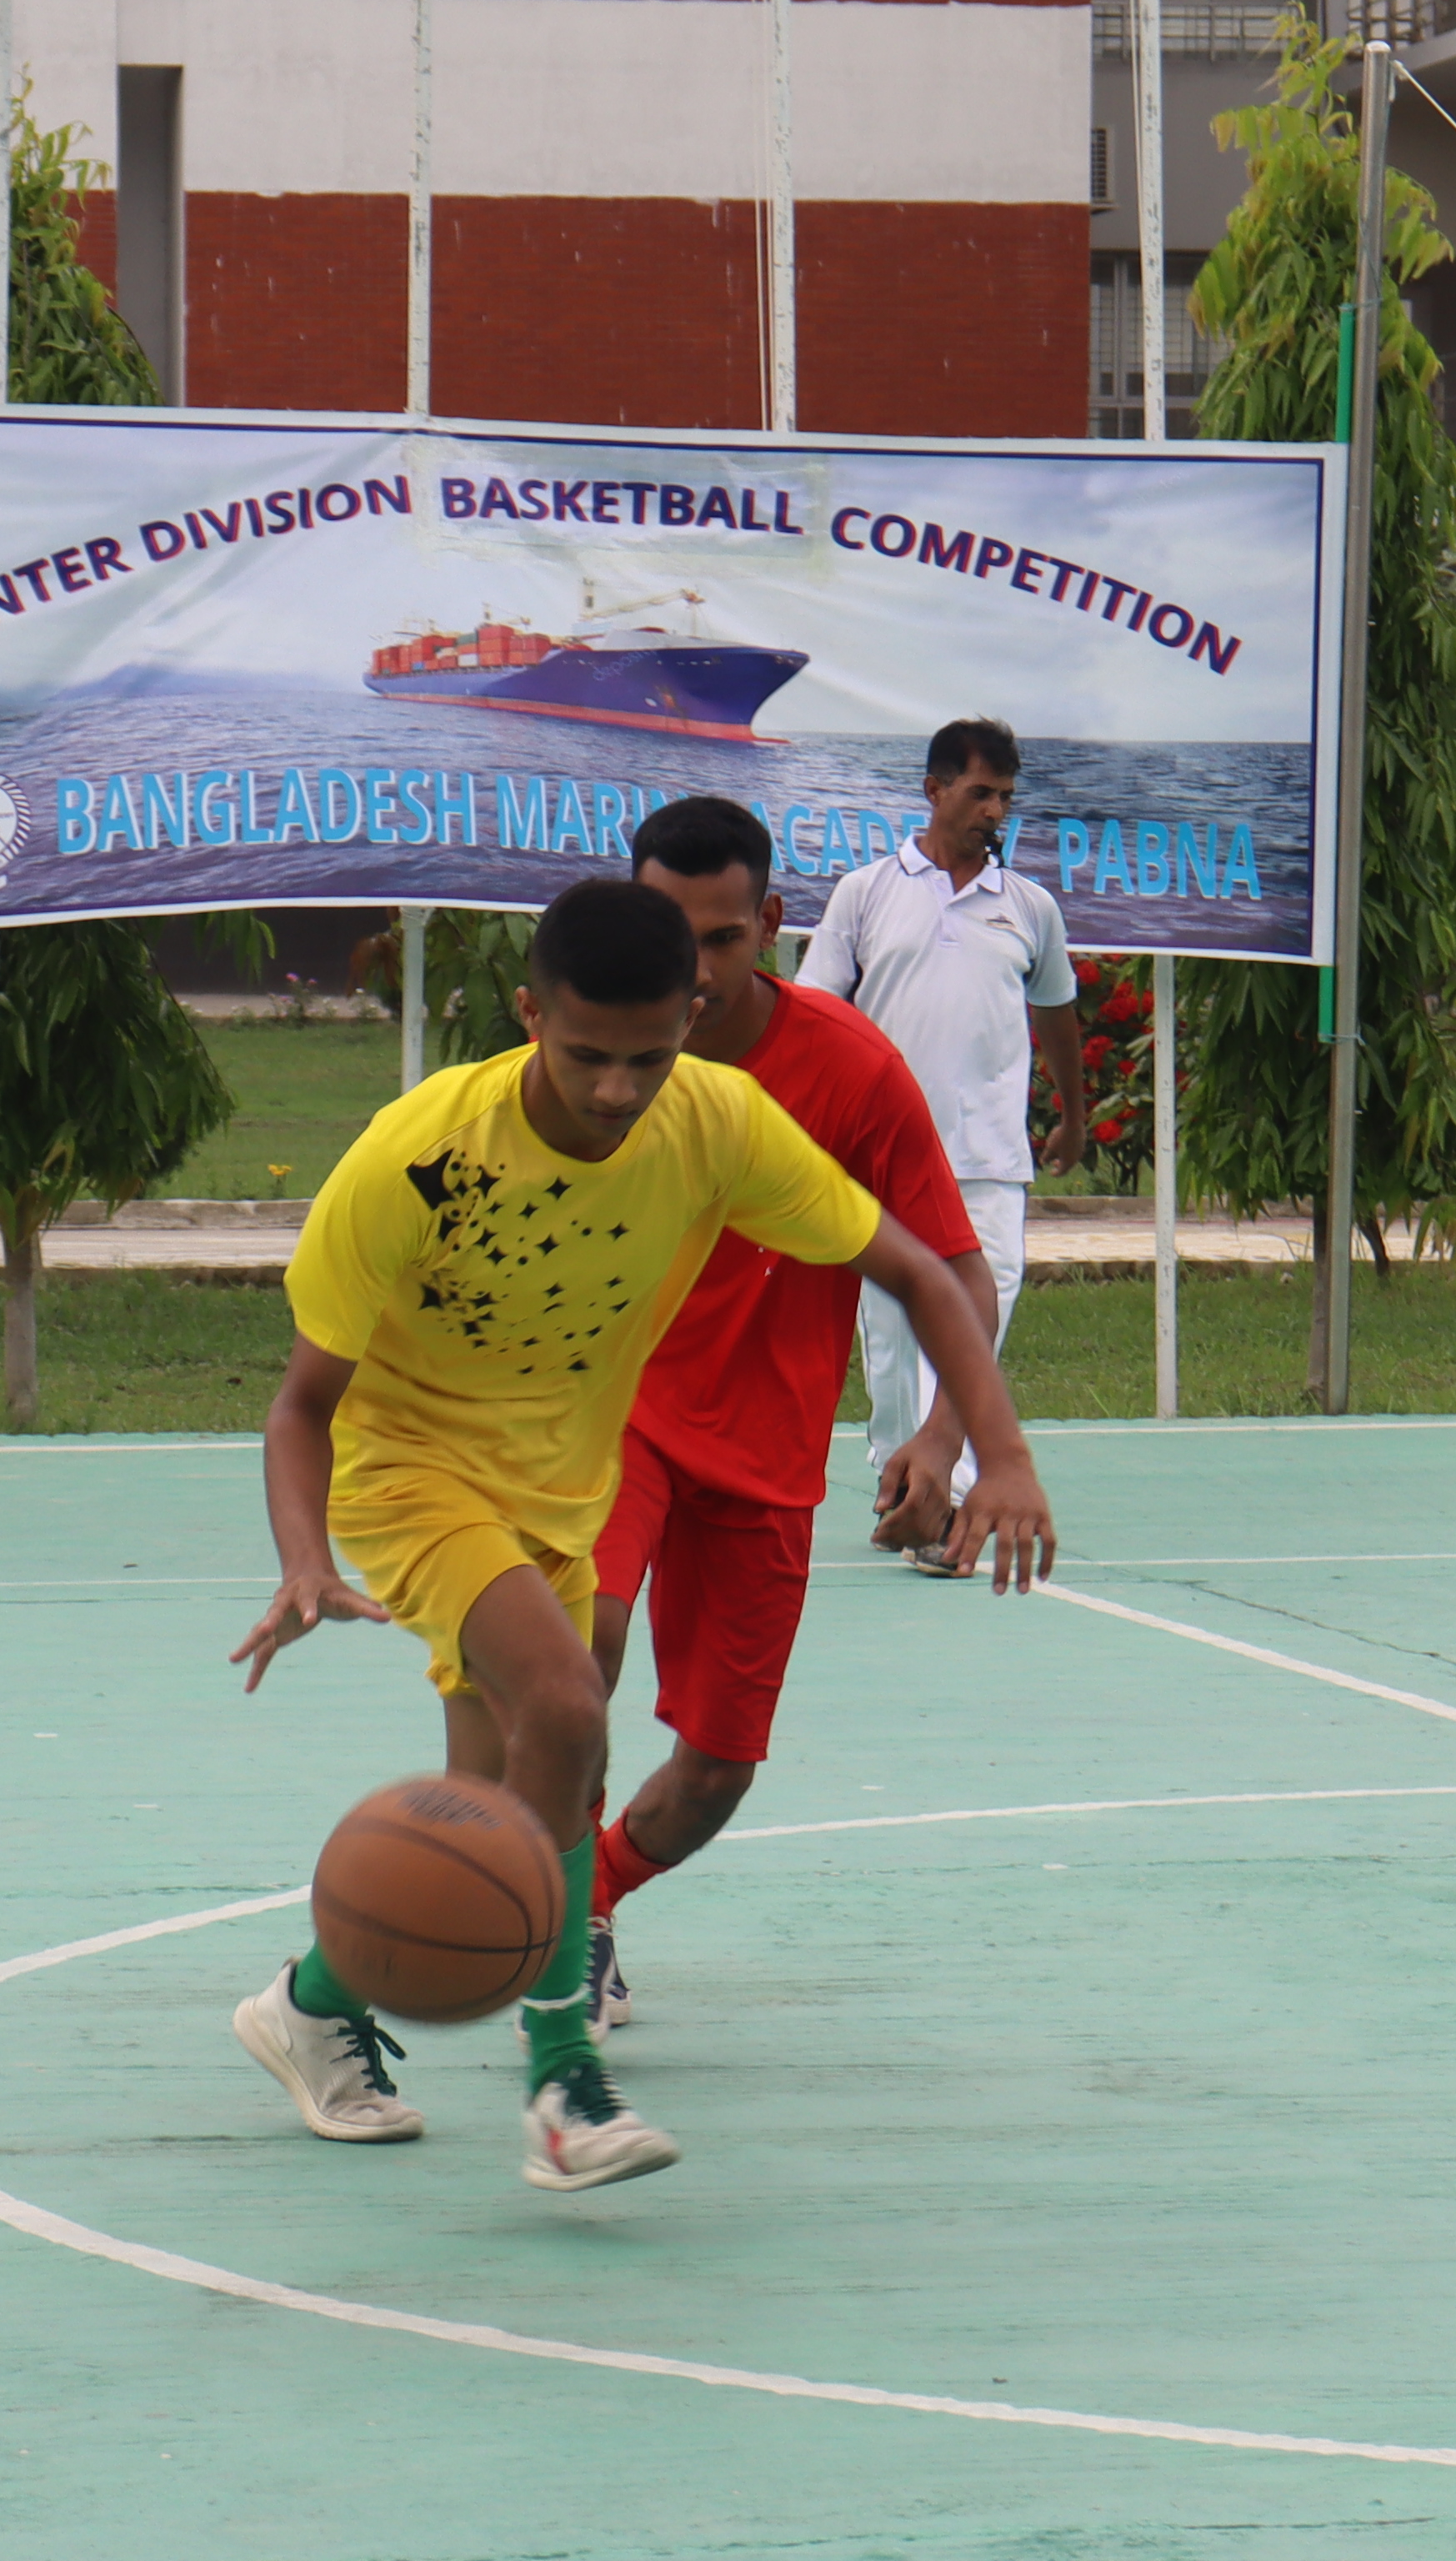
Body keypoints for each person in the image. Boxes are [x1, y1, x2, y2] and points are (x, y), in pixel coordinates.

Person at [228, 876, 1058, 2193]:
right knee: (569, 1705)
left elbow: (911, 1268)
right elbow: (301, 1406)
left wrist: (998, 1450)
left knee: (501, 1818)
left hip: (560, 1486)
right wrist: (303, 1562)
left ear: (697, 1016)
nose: (618, 1090)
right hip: (412, 1473)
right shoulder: (417, 1155)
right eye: (587, 1057)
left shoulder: (720, 1125)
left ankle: (313, 2003)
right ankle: (565, 2084)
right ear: (528, 1016)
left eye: (650, 1057)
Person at [578, 796, 1002, 2035]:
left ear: (770, 924)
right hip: (616, 1419)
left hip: (765, 1452)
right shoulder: (598, 1057)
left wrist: (941, 1435)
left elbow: (953, 1266)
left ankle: (586, 1898)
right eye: (670, 934)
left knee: (719, 1770)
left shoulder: (849, 1067)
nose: (697, 971)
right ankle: (545, 1937)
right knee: (576, 1656)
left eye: (723, 938)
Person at [797, 717, 1087, 1566]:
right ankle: (905, 1481)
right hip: (882, 1159)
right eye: (979, 792)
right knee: (892, 1343)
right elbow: (820, 1015)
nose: (995, 810)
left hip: (991, 1159)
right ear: (934, 792)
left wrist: (1071, 1110)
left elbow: (1056, 1009)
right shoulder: (866, 893)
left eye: (1005, 796)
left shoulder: (1029, 907)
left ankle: (947, 1499)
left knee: (974, 1320)